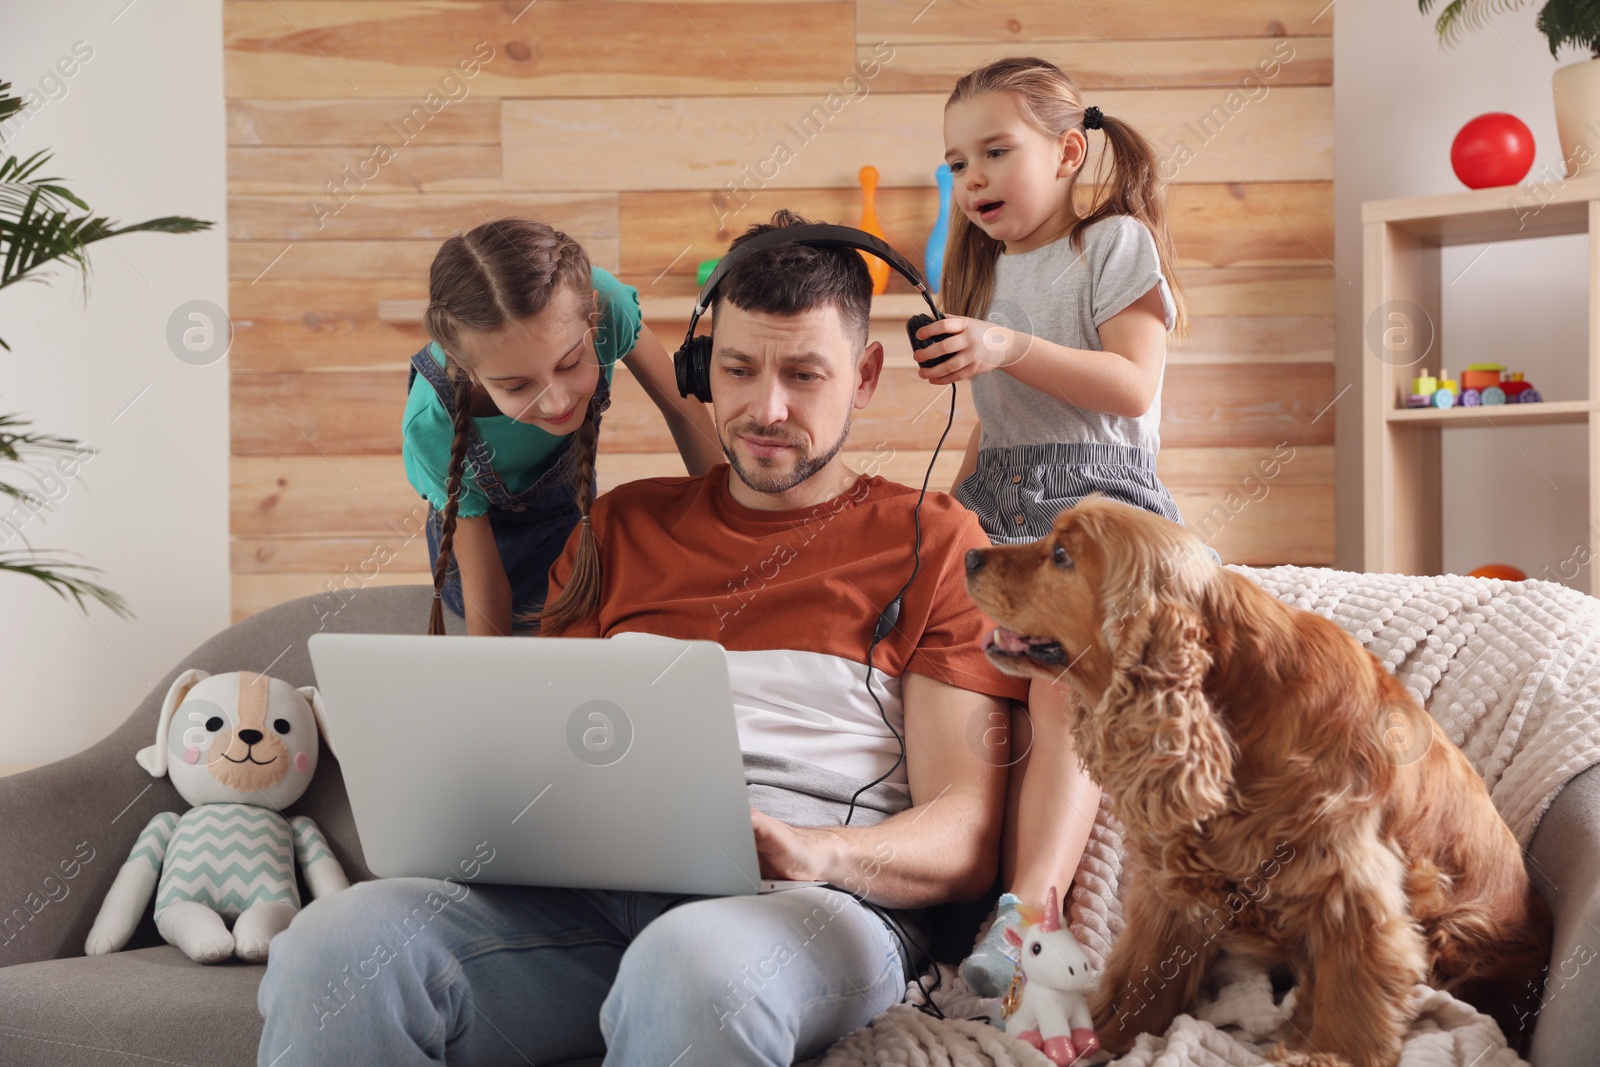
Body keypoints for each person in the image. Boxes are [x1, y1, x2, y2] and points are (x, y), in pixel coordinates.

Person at [255, 209, 1033, 1066]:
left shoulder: (938, 539)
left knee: (689, 962)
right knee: (333, 944)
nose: (766, 408)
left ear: (866, 376)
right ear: (700, 366)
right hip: (590, 906)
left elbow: (963, 831)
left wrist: (822, 850)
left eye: (805, 374)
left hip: (807, 910)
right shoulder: (617, 529)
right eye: (736, 368)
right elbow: (532, 754)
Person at [911, 55, 1223, 997]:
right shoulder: (983, 270)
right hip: (1004, 504)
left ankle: (1032, 909)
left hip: (1096, 511)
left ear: (1068, 152)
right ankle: (937, 893)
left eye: (996, 152)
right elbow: (996, 428)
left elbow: (1132, 387)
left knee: (1058, 677)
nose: (973, 181)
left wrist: (1009, 344)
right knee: (947, 660)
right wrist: (948, 512)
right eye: (958, 164)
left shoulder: (1114, 244)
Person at [402, 217, 722, 638]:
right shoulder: (431, 426)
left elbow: (683, 412)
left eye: (570, 363)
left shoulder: (604, 303)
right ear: (467, 369)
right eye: (516, 386)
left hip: (572, 512)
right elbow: (488, 588)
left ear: (592, 314)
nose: (557, 402)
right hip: (488, 545)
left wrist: (730, 527)